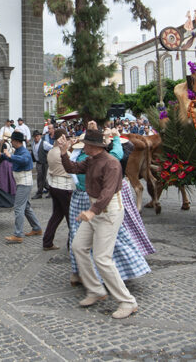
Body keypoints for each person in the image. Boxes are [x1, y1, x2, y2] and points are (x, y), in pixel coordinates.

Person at [57, 129, 140, 319]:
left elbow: (107, 193)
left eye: (85, 144)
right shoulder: (91, 159)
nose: (83, 146)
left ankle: (128, 302)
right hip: (95, 209)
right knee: (78, 247)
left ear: (94, 147)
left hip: (109, 211)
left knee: (103, 258)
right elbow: (72, 168)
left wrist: (91, 212)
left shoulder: (111, 163)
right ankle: (96, 290)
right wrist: (63, 152)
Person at [3, 131, 42, 243]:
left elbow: (24, 160)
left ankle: (18, 234)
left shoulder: (24, 152)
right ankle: (37, 228)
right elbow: (13, 158)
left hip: (24, 183)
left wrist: (10, 156)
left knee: (19, 207)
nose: (11, 142)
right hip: (23, 183)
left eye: (12, 141)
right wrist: (3, 155)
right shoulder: (19, 151)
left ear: (16, 141)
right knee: (26, 207)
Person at [42, 129, 74, 250]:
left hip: (53, 185)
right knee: (69, 216)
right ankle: (71, 244)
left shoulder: (50, 151)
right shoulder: (63, 153)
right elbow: (71, 164)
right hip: (64, 186)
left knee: (57, 215)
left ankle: (47, 241)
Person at [29, 130, 49, 199]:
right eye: (35, 136)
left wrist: (48, 157)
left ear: (40, 136)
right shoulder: (33, 144)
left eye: (37, 136)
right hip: (38, 162)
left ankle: (39, 193)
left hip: (44, 163)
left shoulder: (44, 143)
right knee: (42, 177)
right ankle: (51, 190)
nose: (36, 138)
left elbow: (52, 148)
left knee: (40, 178)